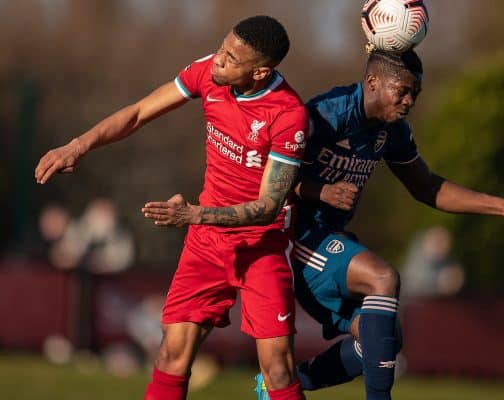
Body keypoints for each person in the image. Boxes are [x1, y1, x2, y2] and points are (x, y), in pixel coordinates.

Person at [35, 15, 308, 400]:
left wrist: (193, 215)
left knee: (278, 369)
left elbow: (267, 207)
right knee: (171, 354)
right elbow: (138, 113)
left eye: (232, 58)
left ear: (260, 72)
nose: (219, 60)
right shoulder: (208, 73)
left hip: (261, 245)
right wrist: (77, 146)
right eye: (222, 47)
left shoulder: (288, 114)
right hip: (206, 243)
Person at [255, 49, 504, 400]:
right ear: (373, 81)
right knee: (383, 277)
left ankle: (282, 386)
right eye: (402, 91)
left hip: (329, 238)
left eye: (415, 94)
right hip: (295, 235)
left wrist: (501, 206)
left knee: (384, 339)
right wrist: (321, 191)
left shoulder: (392, 131)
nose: (408, 101)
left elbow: (427, 186)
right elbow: (271, 174)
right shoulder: (328, 114)